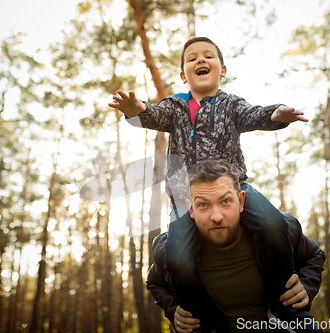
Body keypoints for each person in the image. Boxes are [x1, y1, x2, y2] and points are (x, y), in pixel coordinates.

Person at [108, 37, 311, 330]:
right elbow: (150, 115)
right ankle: (206, 319)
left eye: (208, 56)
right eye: (192, 59)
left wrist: (276, 114)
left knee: (273, 225)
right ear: (183, 75)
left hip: (233, 189)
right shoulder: (176, 107)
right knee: (176, 258)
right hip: (186, 199)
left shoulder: (231, 105)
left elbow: (255, 114)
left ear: (222, 69)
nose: (200, 61)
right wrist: (134, 109)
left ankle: (284, 304)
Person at [146, 160, 325, 332]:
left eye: (225, 201)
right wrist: (174, 310)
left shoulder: (282, 233)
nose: (216, 216)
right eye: (203, 205)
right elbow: (154, 282)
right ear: (190, 210)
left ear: (241, 201)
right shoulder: (173, 254)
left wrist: (306, 287)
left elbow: (314, 255)